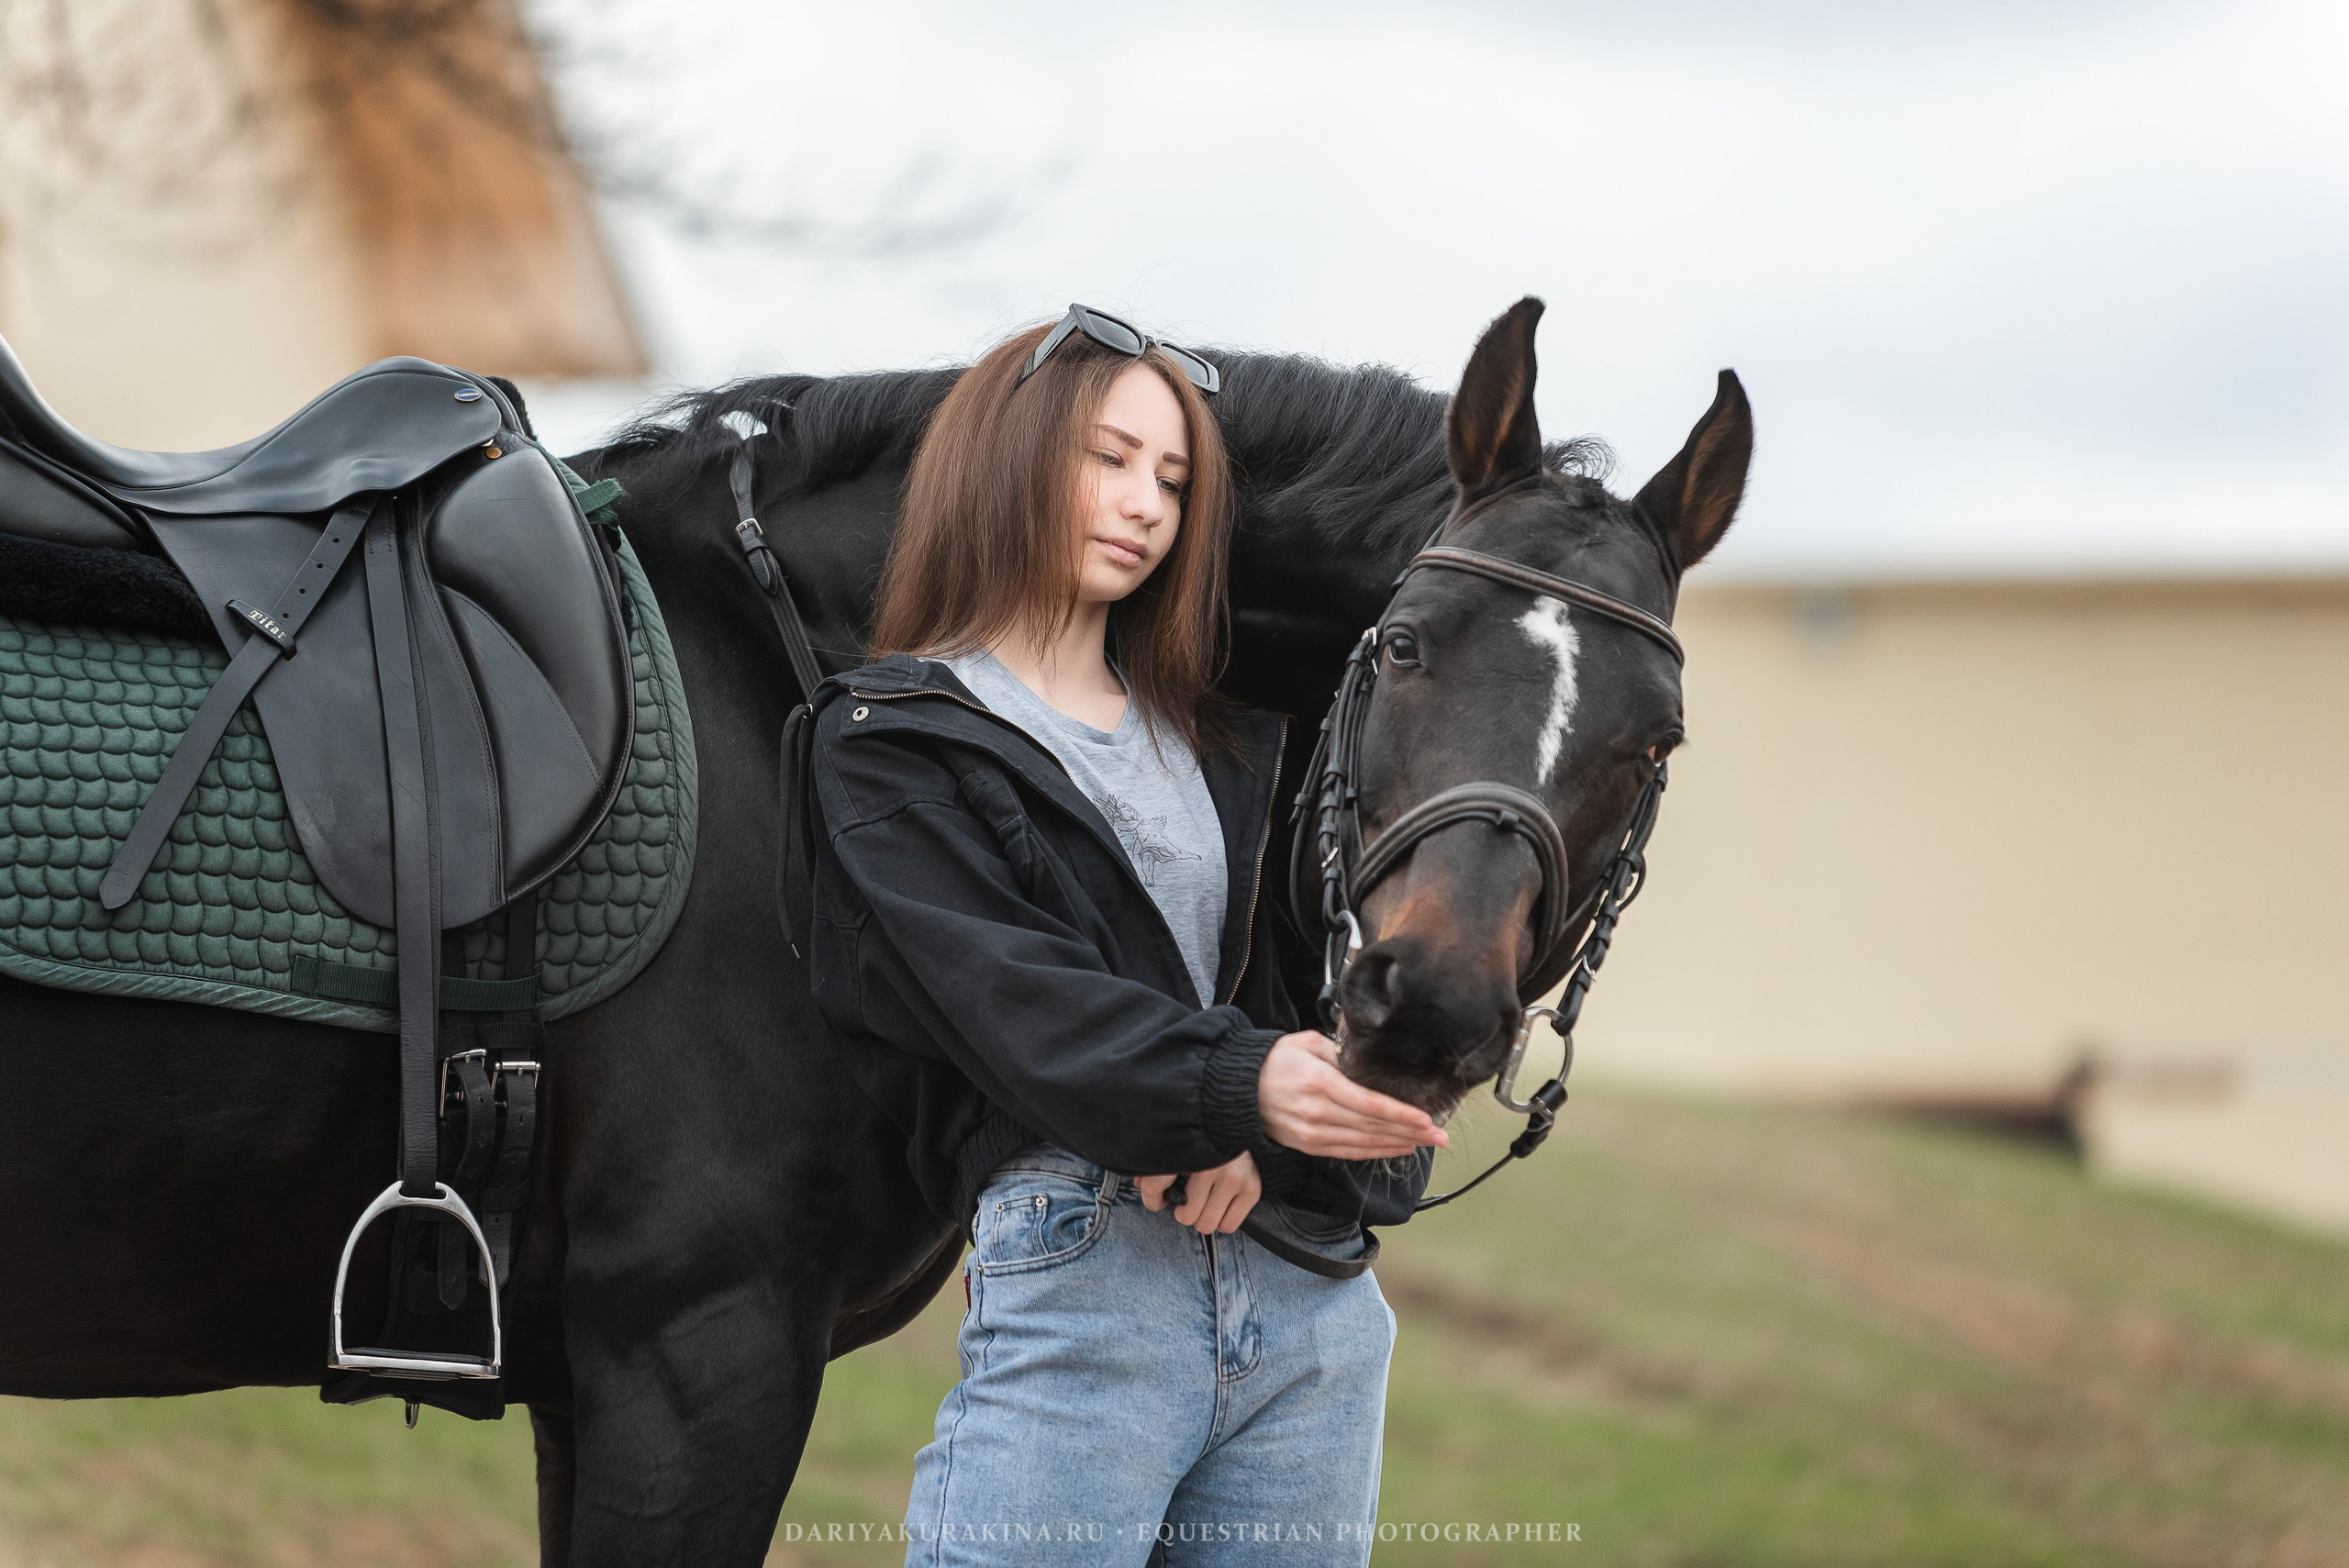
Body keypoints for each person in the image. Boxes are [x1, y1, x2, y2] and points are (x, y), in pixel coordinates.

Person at [800, 305, 1448, 1567]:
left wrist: (1260, 1123)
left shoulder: (1240, 739)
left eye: (1173, 477)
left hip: (1308, 1300)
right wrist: (1236, 1084)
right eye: (1109, 458)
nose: (1146, 502)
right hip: (1086, 1273)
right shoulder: (889, 740)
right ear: (1008, 456)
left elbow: (1310, 972)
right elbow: (1014, 998)